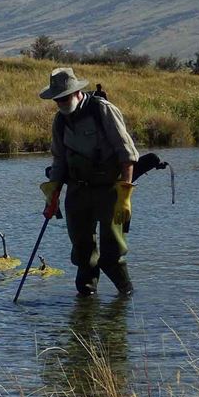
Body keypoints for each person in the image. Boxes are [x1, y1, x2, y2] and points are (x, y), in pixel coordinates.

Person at [38, 67, 139, 297]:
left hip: (110, 191)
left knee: (112, 255)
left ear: (76, 93)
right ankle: (85, 304)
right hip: (78, 191)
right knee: (83, 254)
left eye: (64, 97)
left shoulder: (102, 110)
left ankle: (127, 300)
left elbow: (128, 155)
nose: (61, 103)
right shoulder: (60, 121)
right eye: (57, 100)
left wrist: (125, 196)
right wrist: (52, 193)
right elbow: (59, 159)